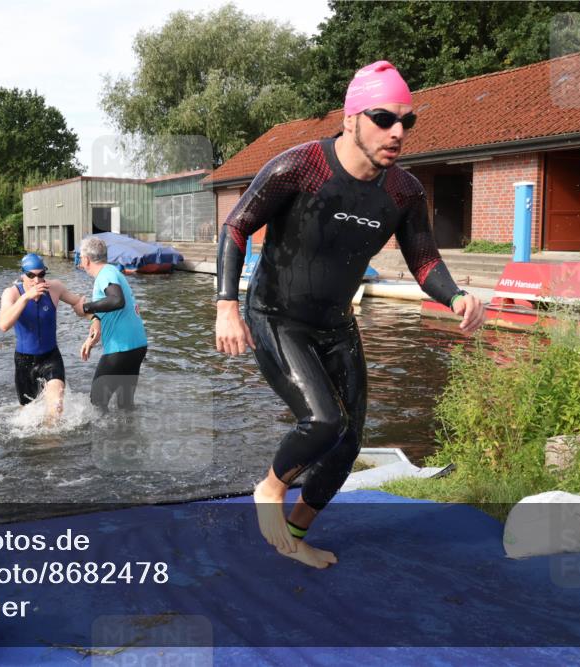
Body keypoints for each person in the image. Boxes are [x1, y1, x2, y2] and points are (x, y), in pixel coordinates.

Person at [215, 61, 484, 570]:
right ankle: (269, 488)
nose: (398, 132)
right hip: (276, 315)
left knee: (347, 444)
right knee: (323, 420)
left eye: (408, 121)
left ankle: (295, 538)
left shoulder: (404, 192)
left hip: (336, 324)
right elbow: (235, 227)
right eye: (384, 118)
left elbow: (424, 260)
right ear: (351, 118)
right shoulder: (299, 167)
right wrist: (227, 305)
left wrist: (455, 297)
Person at [0, 253, 84, 422]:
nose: (37, 280)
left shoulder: (55, 288)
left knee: (56, 406)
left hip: (50, 357)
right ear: (23, 274)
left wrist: (95, 320)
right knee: (27, 417)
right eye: (31, 275)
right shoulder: (12, 293)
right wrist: (25, 298)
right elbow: (3, 325)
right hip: (24, 361)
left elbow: (78, 303)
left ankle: (51, 443)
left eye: (41, 275)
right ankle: (37, 447)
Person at [76, 237, 148, 410]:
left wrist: (85, 307)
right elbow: (108, 312)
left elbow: (117, 301)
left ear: (86, 260)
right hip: (137, 346)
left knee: (96, 404)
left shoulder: (105, 274)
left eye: (80, 258)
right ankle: (127, 436)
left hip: (121, 348)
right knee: (125, 405)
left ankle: (99, 438)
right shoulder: (112, 272)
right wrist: (91, 338)